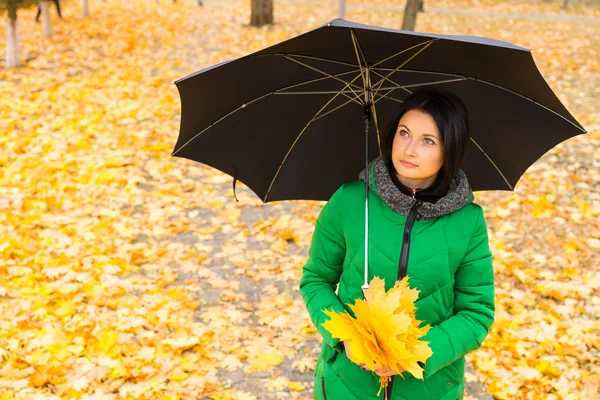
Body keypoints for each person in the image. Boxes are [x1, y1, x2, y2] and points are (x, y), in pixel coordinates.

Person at [299, 88, 495, 400]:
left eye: (428, 141)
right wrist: (345, 337)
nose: (409, 149)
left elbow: (476, 313)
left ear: (450, 150)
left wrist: (418, 352)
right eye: (404, 133)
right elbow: (315, 280)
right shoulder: (350, 202)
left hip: (429, 389)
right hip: (346, 384)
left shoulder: (468, 221)